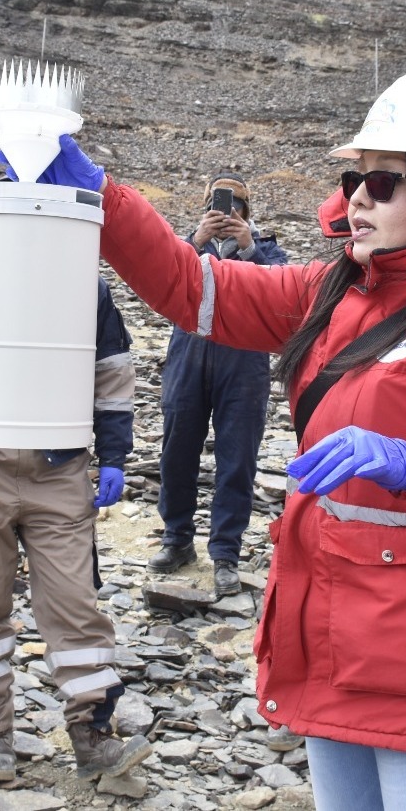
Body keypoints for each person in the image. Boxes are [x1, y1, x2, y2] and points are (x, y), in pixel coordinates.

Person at [3, 64, 406, 809]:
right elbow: (192, 285)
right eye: (353, 180)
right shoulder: (331, 290)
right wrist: (99, 193)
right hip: (333, 656)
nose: (355, 200)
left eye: (382, 183)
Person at [0, 277, 154, 783]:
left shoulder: (86, 285)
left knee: (74, 603)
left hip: (58, 468)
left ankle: (92, 736)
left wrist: (114, 456)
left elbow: (111, 372)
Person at [150, 173, 288, 596]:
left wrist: (249, 247)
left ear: (249, 210)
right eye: (218, 202)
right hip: (188, 358)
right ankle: (177, 540)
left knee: (237, 461)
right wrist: (193, 241)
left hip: (243, 364)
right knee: (176, 452)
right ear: (204, 204)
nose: (228, 212)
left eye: (237, 204)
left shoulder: (265, 249)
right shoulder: (186, 246)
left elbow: (285, 294)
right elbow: (157, 278)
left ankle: (225, 553)